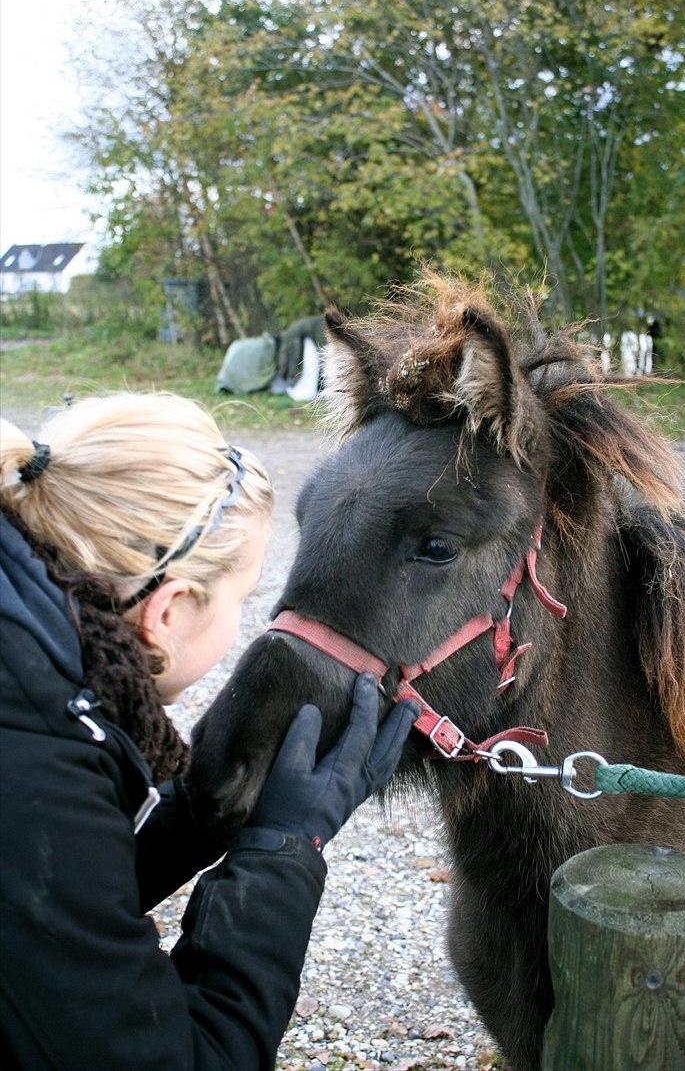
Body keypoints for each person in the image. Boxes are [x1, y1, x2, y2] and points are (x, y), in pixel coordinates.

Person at [0, 392, 419, 1070]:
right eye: (243, 597)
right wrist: (282, 851)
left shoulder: (27, 681)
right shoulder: (31, 780)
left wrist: (201, 810)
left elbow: (54, 915)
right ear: (168, 611)